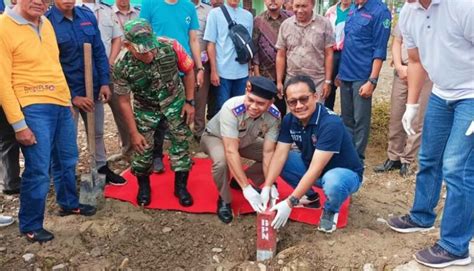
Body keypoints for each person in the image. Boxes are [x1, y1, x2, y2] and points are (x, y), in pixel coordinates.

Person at [0, 0, 96, 243]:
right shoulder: (4, 28)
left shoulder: (46, 23)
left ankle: (68, 203)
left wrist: (66, 101)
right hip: (32, 106)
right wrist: (19, 124)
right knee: (39, 168)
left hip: (59, 103)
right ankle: (31, 224)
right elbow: (2, 83)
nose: (38, 2)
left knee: (68, 157)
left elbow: (54, 66)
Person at [387, 0, 473, 268]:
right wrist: (412, 105)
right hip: (441, 92)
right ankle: (422, 215)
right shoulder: (410, 12)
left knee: (457, 168)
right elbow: (415, 60)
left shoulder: (463, 6)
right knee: (428, 158)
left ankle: (455, 245)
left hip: (471, 94)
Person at [260, 75, 364, 233]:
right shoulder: (290, 120)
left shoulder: (330, 123)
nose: (299, 106)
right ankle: (310, 197)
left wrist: (290, 202)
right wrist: (268, 185)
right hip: (312, 167)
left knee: (333, 182)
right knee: (281, 159)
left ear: (315, 96)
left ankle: (330, 209)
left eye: (304, 99)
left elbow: (316, 168)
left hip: (343, 173)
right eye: (292, 102)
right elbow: (280, 154)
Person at [114, 18, 196, 207]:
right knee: (142, 150)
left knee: (181, 144)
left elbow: (189, 71)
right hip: (146, 108)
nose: (150, 53)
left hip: (174, 102)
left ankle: (180, 187)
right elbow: (124, 101)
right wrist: (133, 133)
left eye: (151, 47)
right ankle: (144, 187)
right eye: (143, 51)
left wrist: (189, 102)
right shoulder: (121, 64)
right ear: (128, 45)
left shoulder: (171, 46)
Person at [46, 0, 126, 186]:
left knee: (97, 132)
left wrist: (104, 82)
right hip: (65, 94)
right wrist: (72, 96)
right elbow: (51, 65)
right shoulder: (47, 22)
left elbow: (98, 51)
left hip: (93, 87)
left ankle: (101, 168)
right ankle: (65, 176)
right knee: (66, 138)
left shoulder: (86, 16)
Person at [200, 77, 281, 223]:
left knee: (278, 156)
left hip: (244, 140)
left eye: (261, 103)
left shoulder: (274, 116)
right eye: (250, 100)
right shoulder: (231, 108)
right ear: (246, 93)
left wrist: (270, 184)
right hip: (216, 137)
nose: (254, 106)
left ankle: (239, 181)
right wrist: (247, 189)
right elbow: (231, 150)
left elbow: (268, 152)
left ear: (270, 103)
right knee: (222, 162)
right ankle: (225, 200)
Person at [140, 0, 204, 172]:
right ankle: (156, 156)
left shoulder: (188, 6)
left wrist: (199, 67)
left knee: (184, 112)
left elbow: (193, 40)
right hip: (158, 69)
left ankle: (182, 154)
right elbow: (143, 36)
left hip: (184, 70)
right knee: (159, 115)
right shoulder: (149, 4)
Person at [373, 22, 432, 177]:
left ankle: (408, 159)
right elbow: (397, 41)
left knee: (417, 118)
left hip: (425, 72)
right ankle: (394, 156)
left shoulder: (437, 16)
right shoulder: (407, 14)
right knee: (396, 114)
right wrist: (399, 66)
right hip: (403, 71)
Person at [337, 0, 391, 162]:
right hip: (346, 73)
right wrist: (339, 72)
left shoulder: (381, 11)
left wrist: (372, 80)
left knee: (360, 119)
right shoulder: (353, 8)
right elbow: (348, 42)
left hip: (363, 76)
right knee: (346, 118)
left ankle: (357, 157)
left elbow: (379, 49)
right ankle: (347, 152)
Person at [80, 0, 129, 162]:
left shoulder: (107, 11)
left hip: (108, 70)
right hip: (82, 73)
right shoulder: (73, 9)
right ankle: (95, 159)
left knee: (121, 109)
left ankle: (129, 148)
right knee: (91, 119)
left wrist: (110, 61)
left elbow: (117, 38)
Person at [275, 0, 334, 104]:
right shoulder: (286, 25)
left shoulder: (324, 24)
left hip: (317, 80)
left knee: (315, 113)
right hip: (292, 79)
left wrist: (327, 81)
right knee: (294, 113)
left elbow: (329, 54)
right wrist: (279, 82)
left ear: (312, 5)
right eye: (297, 6)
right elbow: (281, 55)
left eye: (304, 6)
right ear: (292, 5)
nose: (300, 10)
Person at [204, 0, 253, 113]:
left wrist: (249, 68)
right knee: (223, 109)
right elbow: (211, 43)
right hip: (222, 73)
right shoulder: (215, 14)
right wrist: (213, 71)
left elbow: (248, 44)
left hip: (242, 73)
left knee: (241, 109)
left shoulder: (248, 16)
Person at [252, 0, 292, 115]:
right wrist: (257, 74)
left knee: (293, 105)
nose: (273, 1)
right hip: (266, 74)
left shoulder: (290, 18)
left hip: (289, 72)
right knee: (273, 109)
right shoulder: (258, 21)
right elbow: (255, 49)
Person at [324, 0, 352, 111]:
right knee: (329, 86)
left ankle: (347, 120)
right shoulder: (330, 11)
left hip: (349, 53)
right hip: (332, 52)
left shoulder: (356, 11)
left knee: (347, 87)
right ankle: (328, 114)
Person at [192, 0, 212, 142]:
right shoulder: (179, 7)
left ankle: (199, 130)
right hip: (180, 60)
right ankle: (180, 130)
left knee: (201, 97)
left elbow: (211, 37)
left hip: (203, 61)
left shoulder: (209, 10)